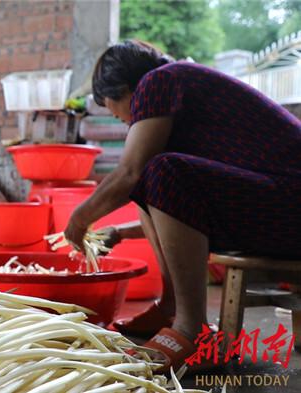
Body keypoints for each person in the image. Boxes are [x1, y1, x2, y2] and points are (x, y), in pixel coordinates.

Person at [64, 40, 301, 372]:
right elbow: (179, 213)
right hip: (280, 204)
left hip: (291, 205)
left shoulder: (158, 81)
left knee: (160, 171)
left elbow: (129, 172)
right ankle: (171, 305)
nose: (118, 118)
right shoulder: (178, 88)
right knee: (154, 178)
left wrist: (79, 218)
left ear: (126, 88)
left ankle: (192, 329)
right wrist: (120, 231)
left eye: (112, 107)